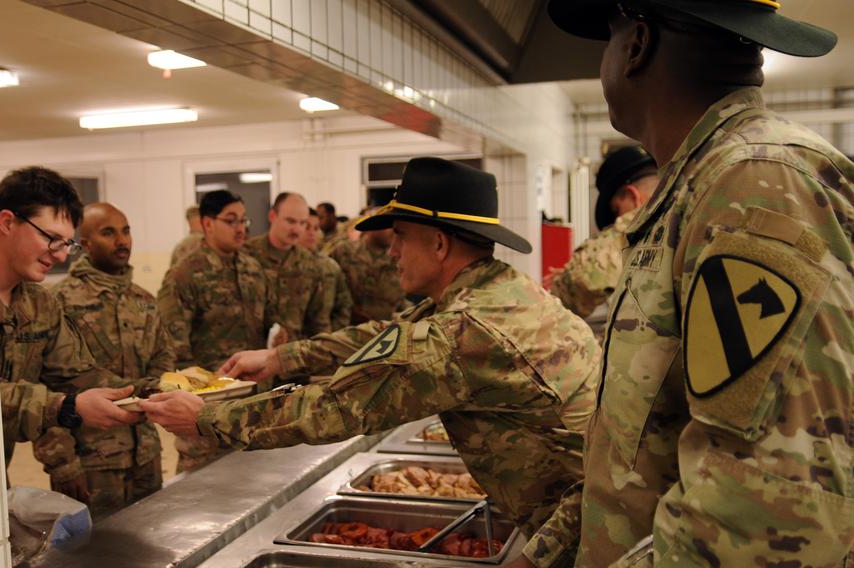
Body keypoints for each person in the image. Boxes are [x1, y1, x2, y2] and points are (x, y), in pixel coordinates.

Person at [141, 157, 602, 567]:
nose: (393, 251)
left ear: (439, 245)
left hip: (586, 526)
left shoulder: (465, 334)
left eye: (399, 237)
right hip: (583, 507)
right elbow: (387, 336)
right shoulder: (496, 289)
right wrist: (281, 357)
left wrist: (210, 417)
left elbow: (335, 408)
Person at [547, 2, 853, 566]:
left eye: (607, 38)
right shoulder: (702, 184)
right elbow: (644, 437)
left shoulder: (755, 182)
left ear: (636, 45)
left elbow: (764, 516)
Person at [0, 167, 142, 494]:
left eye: (66, 244)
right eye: (50, 238)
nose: (60, 255)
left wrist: (157, 393)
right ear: (7, 222)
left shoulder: (39, 304)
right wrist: (65, 407)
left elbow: (79, 375)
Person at [48, 203, 175, 517]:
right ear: (86, 244)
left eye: (126, 231)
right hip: (90, 462)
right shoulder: (60, 301)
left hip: (146, 453)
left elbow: (164, 359)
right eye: (109, 233)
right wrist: (63, 463)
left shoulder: (144, 300)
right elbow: (45, 385)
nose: (122, 241)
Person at [157, 190, 269, 472]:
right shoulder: (185, 274)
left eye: (244, 220)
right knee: (200, 493)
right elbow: (172, 348)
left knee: (250, 481)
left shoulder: (252, 269)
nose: (240, 228)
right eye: (231, 221)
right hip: (203, 408)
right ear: (208, 224)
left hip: (249, 406)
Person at [546, 146, 658, 320]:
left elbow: (572, 293)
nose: (617, 220)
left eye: (616, 210)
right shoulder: (690, 207)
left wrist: (563, 281)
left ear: (632, 196)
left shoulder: (634, 227)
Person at [245, 193, 330, 340]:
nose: (297, 229)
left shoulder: (311, 264)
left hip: (293, 356)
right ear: (272, 216)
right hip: (250, 353)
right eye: (290, 221)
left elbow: (318, 321)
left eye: (302, 223)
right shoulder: (246, 256)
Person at [327, 205, 406, 324]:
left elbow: (403, 299)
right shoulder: (343, 251)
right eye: (388, 227)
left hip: (386, 330)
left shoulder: (399, 257)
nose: (392, 232)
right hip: (347, 329)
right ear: (372, 226)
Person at [300, 207, 353, 331]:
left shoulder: (329, 266)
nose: (311, 233)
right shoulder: (284, 265)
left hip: (323, 339)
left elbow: (344, 304)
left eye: (316, 228)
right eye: (306, 227)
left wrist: (333, 333)